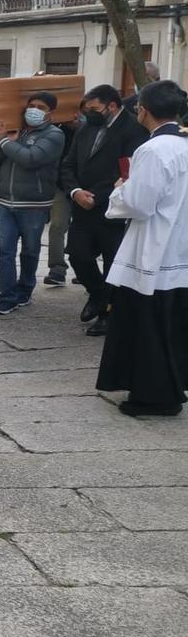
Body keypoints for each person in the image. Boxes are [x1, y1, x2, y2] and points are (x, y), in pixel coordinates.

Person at [97, 80, 188, 417]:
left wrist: (120, 189)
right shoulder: (184, 145)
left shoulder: (153, 150)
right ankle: (172, 386)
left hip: (153, 248)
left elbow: (139, 203)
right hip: (179, 246)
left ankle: (155, 396)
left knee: (148, 326)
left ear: (143, 110)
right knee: (171, 324)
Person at [61, 84, 149, 336]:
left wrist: (97, 197)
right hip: (81, 205)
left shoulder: (133, 130)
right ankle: (97, 293)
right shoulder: (86, 129)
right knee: (78, 255)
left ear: (112, 105)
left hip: (113, 208)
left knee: (114, 262)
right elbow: (68, 164)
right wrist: (75, 191)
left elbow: (126, 172)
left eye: (94, 109)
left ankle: (108, 312)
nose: (89, 114)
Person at [0, 92, 65, 315]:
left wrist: (4, 141)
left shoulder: (54, 135)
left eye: (40, 107)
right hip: (5, 201)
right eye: (31, 106)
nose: (34, 110)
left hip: (34, 203)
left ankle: (25, 289)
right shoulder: (13, 132)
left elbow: (31, 159)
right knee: (5, 252)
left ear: (51, 112)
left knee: (30, 250)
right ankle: (7, 297)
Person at [44, 101, 85, 288]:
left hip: (86, 186)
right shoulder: (54, 128)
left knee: (84, 230)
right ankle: (57, 269)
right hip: (62, 185)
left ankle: (85, 269)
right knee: (58, 226)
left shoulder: (88, 127)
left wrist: (79, 128)